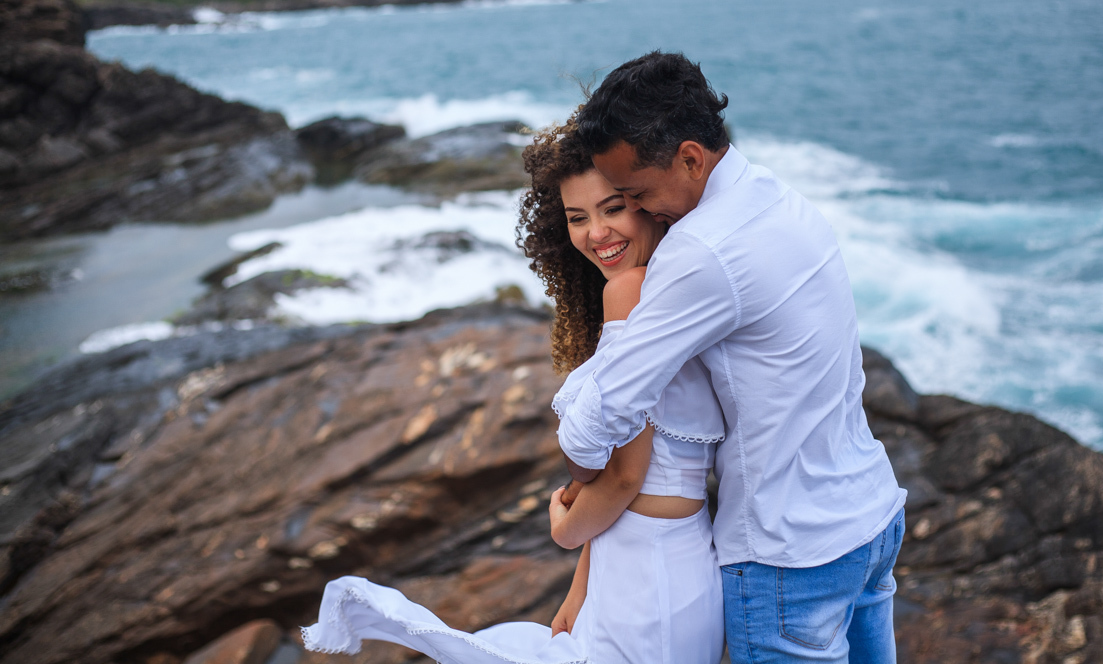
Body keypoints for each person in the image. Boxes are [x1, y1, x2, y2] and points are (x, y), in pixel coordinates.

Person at [300, 117, 726, 664]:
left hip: (648, 577)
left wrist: (568, 532)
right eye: (577, 217)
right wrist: (581, 586)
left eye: (613, 208)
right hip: (666, 560)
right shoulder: (674, 288)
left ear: (645, 200)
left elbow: (624, 477)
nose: (596, 233)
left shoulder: (630, 293)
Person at [555, 51, 907, 664]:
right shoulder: (779, 198)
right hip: (871, 521)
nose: (637, 210)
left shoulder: (701, 251)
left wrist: (574, 486)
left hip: (791, 555)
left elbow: (599, 427)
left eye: (634, 194)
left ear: (690, 157)